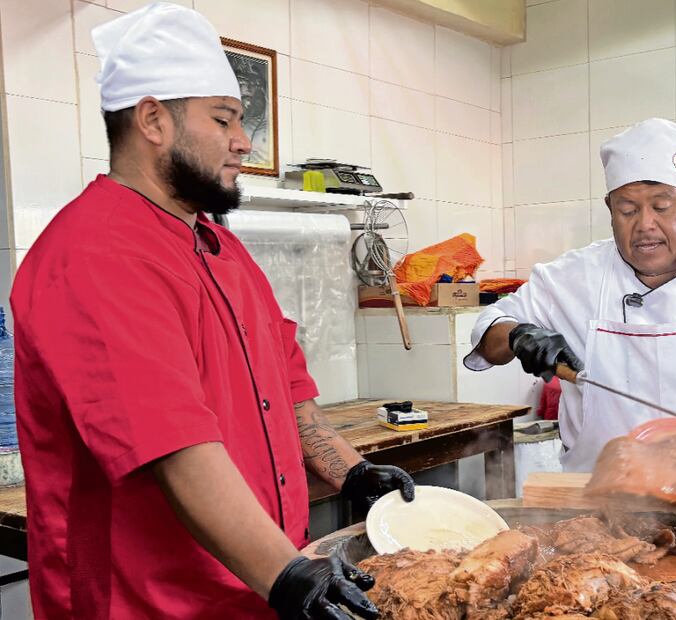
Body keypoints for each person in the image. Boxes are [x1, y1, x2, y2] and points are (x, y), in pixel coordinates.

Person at [10, 4, 412, 618]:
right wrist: (287, 575)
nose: (244, 141)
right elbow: (175, 448)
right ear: (153, 120)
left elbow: (288, 394)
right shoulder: (96, 252)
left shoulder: (222, 248)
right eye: (223, 119)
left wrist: (353, 472)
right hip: (149, 604)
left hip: (249, 587)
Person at [465, 118, 676, 473]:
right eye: (628, 210)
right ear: (610, 209)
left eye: (661, 206)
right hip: (596, 489)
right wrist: (517, 336)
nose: (645, 225)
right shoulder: (567, 279)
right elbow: (489, 331)